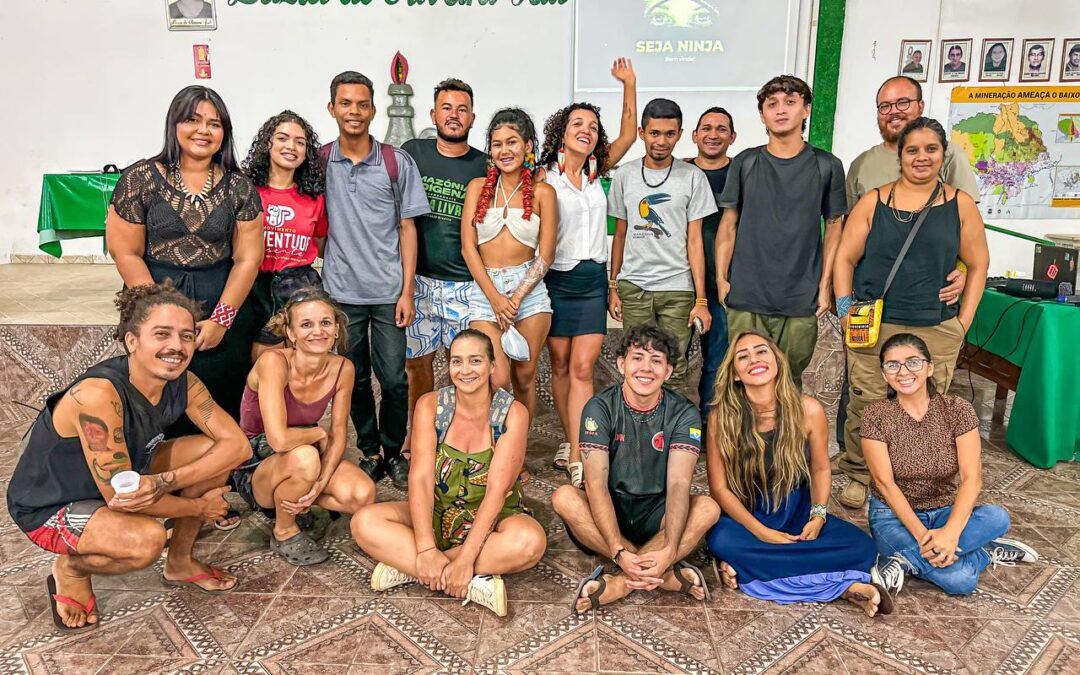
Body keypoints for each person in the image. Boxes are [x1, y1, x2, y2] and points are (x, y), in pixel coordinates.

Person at [6, 282, 251, 632]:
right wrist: (197, 508)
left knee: (211, 452)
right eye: (162, 334)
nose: (176, 347)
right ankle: (72, 569)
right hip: (52, 504)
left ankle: (180, 562)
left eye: (186, 336)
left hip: (127, 477)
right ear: (132, 340)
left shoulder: (185, 382)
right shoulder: (97, 395)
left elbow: (237, 446)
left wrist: (165, 481)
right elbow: (122, 500)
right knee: (146, 541)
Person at [834, 117, 989, 509]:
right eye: (912, 150)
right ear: (900, 156)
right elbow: (845, 258)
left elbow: (978, 262)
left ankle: (913, 478)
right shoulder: (874, 200)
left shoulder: (959, 204)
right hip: (874, 323)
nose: (921, 157)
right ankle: (860, 473)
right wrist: (843, 307)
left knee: (924, 407)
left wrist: (961, 323)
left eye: (931, 149)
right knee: (867, 402)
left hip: (935, 325)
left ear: (943, 155)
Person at [351, 329, 547, 617]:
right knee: (364, 522)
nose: (465, 370)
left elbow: (497, 491)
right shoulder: (431, 405)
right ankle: (469, 581)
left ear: (492, 366)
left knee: (530, 542)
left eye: (475, 361)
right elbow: (420, 478)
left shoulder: (512, 413)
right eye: (457, 362)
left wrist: (465, 559)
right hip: (437, 514)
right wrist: (427, 548)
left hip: (492, 521)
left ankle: (414, 569)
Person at [704, 331, 900, 617]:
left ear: (778, 363)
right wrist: (761, 532)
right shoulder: (721, 417)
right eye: (742, 356)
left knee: (863, 548)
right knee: (720, 539)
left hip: (795, 513)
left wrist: (818, 515)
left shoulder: (808, 410)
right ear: (735, 374)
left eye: (761, 352)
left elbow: (820, 468)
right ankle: (843, 586)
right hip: (745, 518)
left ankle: (747, 571)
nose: (753, 359)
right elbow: (719, 489)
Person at [107, 86, 264, 434]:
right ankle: (157, 463)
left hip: (221, 299)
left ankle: (220, 468)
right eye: (193, 120)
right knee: (158, 384)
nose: (203, 131)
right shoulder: (141, 178)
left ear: (225, 133)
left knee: (220, 392)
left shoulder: (239, 187)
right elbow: (125, 251)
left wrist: (222, 320)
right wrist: (159, 315)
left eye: (214, 123)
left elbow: (248, 259)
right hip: (153, 293)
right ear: (174, 125)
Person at [551, 324, 721, 613]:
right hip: (608, 513)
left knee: (707, 507)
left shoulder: (684, 413)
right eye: (638, 357)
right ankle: (662, 576)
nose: (646, 368)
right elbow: (596, 485)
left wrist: (668, 548)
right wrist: (618, 549)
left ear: (668, 371)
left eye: (657, 360)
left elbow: (679, 484)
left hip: (658, 514)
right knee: (563, 498)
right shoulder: (599, 408)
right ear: (621, 364)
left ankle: (620, 583)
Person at [863, 333, 1038, 595]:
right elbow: (885, 484)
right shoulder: (875, 415)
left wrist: (951, 533)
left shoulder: (956, 409)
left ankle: (902, 563)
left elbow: (972, 479)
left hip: (945, 510)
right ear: (884, 373)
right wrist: (926, 538)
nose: (903, 372)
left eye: (913, 362)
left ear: (930, 367)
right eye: (893, 365)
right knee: (961, 581)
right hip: (893, 517)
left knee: (997, 517)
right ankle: (982, 551)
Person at [321, 71, 431, 490]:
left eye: (362, 104)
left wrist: (406, 290)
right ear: (332, 108)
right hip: (340, 296)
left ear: (373, 109)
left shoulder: (395, 162)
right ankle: (368, 450)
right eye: (345, 103)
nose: (354, 111)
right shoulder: (319, 162)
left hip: (388, 294)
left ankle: (393, 450)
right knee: (354, 376)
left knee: (395, 379)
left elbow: (408, 229)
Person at [537, 58, 639, 487]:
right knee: (560, 365)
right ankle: (569, 437)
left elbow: (631, 133)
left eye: (593, 126)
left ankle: (580, 451)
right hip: (555, 280)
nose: (588, 130)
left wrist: (628, 84)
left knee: (583, 367)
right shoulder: (543, 176)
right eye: (579, 123)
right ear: (562, 132)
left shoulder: (598, 172)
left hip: (593, 281)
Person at [714, 75, 846, 389]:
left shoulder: (826, 165)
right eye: (772, 104)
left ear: (806, 109)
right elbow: (728, 224)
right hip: (747, 295)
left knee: (788, 381)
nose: (781, 110)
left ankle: (786, 440)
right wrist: (721, 278)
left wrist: (825, 284)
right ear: (762, 115)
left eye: (790, 102)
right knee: (744, 381)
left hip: (800, 297)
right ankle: (743, 441)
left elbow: (835, 225)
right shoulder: (746, 162)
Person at [232, 289, 376, 565]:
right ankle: (284, 529)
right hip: (255, 463)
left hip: (301, 455)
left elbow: (340, 434)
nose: (318, 331)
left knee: (362, 494)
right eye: (306, 324)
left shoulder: (343, 367)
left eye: (325, 322)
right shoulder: (273, 362)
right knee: (306, 456)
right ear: (292, 333)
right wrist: (319, 433)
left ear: (336, 329)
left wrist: (319, 483)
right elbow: (279, 441)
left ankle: (300, 498)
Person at [401, 78, 489, 459]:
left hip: (466, 285)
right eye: (447, 108)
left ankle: (461, 437)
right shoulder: (412, 152)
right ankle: (417, 434)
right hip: (419, 281)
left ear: (472, 117)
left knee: (467, 369)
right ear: (433, 114)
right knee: (417, 365)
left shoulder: (485, 163)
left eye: (462, 109)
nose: (454, 116)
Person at [460, 108, 557, 435]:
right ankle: (491, 447)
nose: (504, 151)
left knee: (524, 378)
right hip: (485, 289)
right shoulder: (476, 188)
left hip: (528, 293)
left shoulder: (544, 193)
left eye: (512, 142)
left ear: (528, 146)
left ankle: (515, 455)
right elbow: (468, 248)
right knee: (496, 377)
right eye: (497, 144)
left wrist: (514, 298)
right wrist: (496, 299)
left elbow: (546, 255)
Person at [608, 99, 716, 385]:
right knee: (637, 368)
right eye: (655, 133)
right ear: (642, 132)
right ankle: (640, 429)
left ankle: (672, 430)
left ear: (680, 134)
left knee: (674, 369)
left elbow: (695, 241)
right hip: (635, 287)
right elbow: (620, 233)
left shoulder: (693, 177)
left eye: (670, 133)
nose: (662, 141)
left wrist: (701, 299)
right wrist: (613, 286)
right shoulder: (625, 175)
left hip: (678, 289)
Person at [242, 111, 327, 362]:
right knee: (262, 370)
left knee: (302, 368)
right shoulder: (247, 190)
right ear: (268, 143)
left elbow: (320, 242)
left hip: (300, 286)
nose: (291, 146)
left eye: (300, 142)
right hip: (255, 286)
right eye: (282, 138)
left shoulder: (314, 197)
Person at [847, 77, 980, 207]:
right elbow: (850, 224)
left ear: (920, 106)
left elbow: (967, 217)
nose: (893, 111)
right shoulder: (861, 164)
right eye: (885, 106)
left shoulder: (949, 154)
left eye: (903, 102)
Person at [687, 106, 736, 421]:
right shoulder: (679, 172)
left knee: (718, 361)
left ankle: (711, 427)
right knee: (668, 360)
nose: (713, 134)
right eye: (706, 128)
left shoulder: (744, 171)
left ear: (732, 137)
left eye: (721, 129)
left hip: (724, 286)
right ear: (694, 135)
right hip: (678, 284)